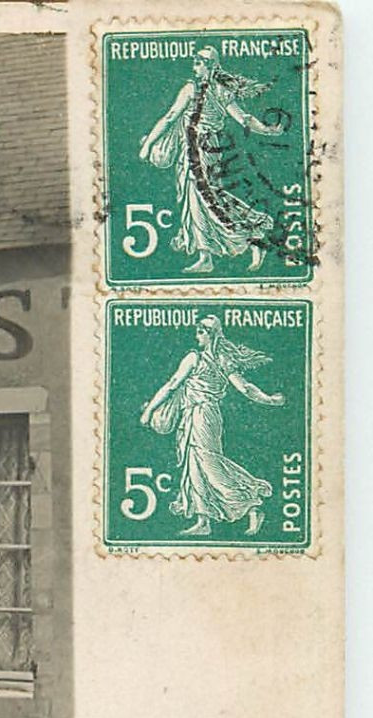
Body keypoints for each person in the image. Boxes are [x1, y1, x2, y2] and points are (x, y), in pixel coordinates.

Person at [137, 45, 287, 274]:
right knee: (199, 200)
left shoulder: (198, 89)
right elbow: (244, 119)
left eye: (199, 62)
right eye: (195, 61)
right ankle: (206, 256)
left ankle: (253, 238)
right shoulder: (215, 90)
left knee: (205, 199)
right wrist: (267, 130)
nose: (195, 65)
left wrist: (148, 145)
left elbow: (170, 118)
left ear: (211, 66)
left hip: (199, 152)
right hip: (198, 149)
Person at [140, 314, 285, 537]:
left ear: (211, 334)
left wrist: (150, 410)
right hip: (200, 415)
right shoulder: (222, 360)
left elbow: (172, 385)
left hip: (202, 415)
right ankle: (203, 520)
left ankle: (251, 505)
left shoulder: (195, 358)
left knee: (208, 463)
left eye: (201, 331)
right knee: (194, 465)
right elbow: (245, 388)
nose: (196, 335)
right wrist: (269, 400)